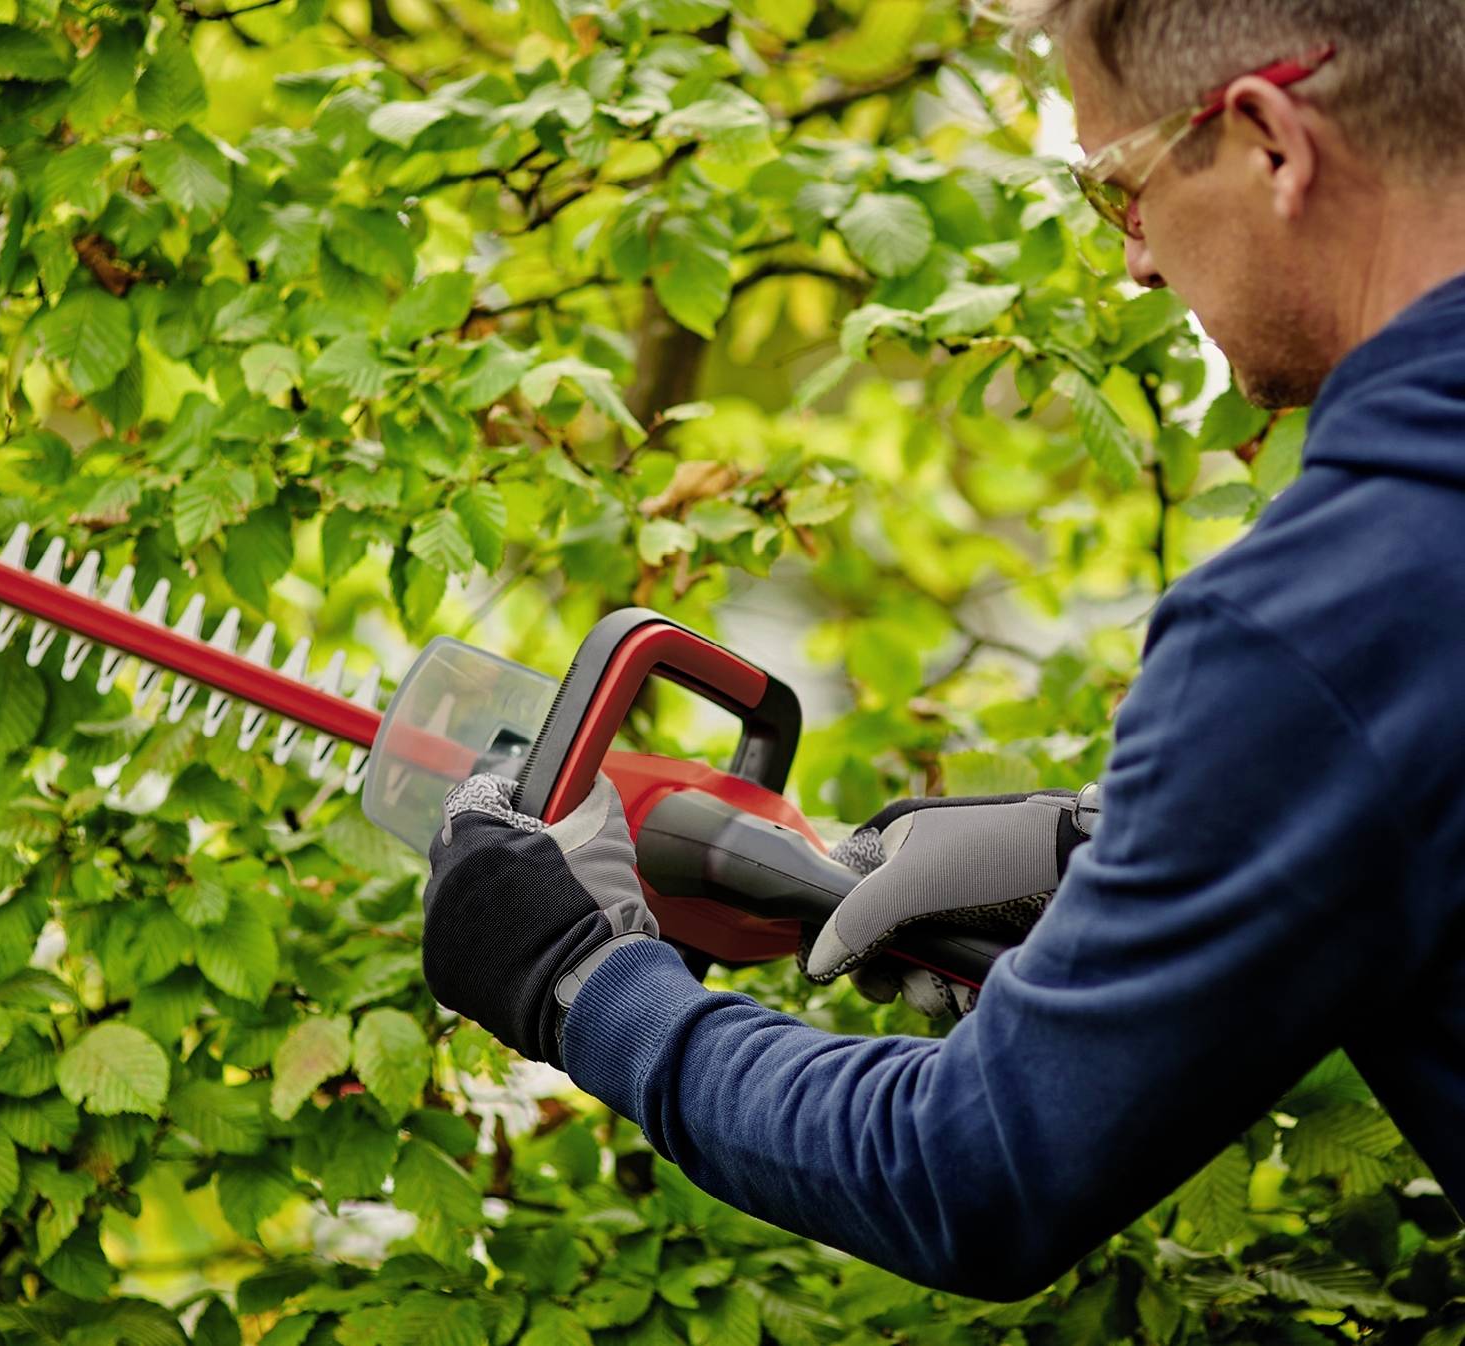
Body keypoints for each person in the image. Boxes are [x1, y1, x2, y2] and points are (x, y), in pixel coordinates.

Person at [418, 0, 1465, 1299]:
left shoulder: (1316, 622)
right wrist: (1096, 852)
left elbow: (967, 1171)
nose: (1135, 260)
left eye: (1120, 188)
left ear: (1267, 141)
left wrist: (584, 985)